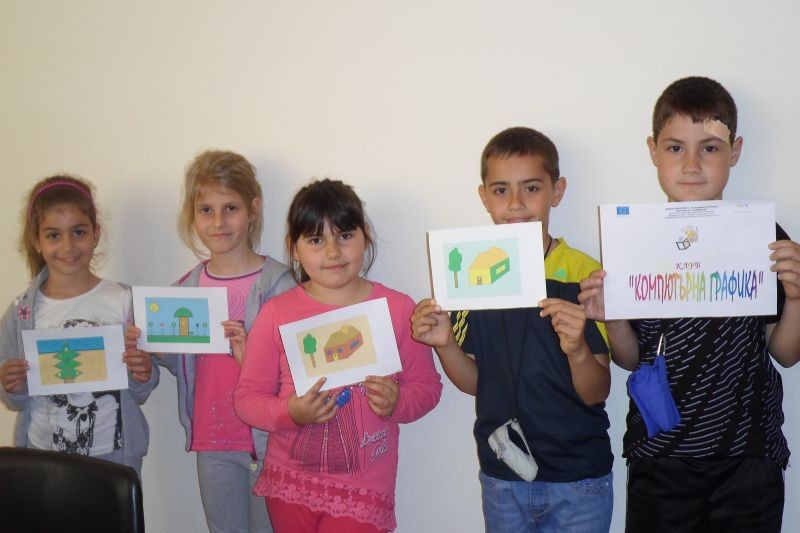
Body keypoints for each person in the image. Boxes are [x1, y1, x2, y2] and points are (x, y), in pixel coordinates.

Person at [579, 76, 800, 532]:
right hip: (660, 456)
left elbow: (785, 352)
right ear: (653, 150)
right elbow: (630, 358)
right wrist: (612, 316)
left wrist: (797, 297)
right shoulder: (633, 241)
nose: (692, 165)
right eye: (675, 147)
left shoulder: (760, 236)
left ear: (735, 151)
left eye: (710, 148)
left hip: (748, 457)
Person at [411, 127, 613, 533]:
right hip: (503, 477)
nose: (517, 203)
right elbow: (475, 383)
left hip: (579, 478)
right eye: (501, 190)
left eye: (531, 188)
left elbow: (598, 391)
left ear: (557, 191)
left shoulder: (583, 274)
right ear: (484, 196)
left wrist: (576, 349)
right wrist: (445, 345)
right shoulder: (471, 277)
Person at [234, 178, 442, 533]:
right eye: (316, 240)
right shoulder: (276, 313)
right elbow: (247, 399)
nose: (332, 252)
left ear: (366, 236)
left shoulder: (396, 308)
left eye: (344, 235)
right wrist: (290, 412)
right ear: (294, 248)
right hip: (290, 483)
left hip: (364, 489)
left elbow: (427, 387)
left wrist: (398, 402)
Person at [127, 150, 294, 533]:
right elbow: (185, 363)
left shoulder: (278, 285)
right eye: (206, 210)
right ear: (193, 214)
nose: (218, 222)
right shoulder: (185, 289)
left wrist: (253, 356)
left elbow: (296, 368)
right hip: (213, 439)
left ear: (253, 209)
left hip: (270, 441)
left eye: (230, 208)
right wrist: (155, 349)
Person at [0, 175, 157, 476]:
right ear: (36, 241)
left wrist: (142, 372)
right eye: (53, 235)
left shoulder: (125, 301)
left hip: (114, 458)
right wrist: (11, 383)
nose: (68, 245)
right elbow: (15, 398)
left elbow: (142, 389)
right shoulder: (22, 312)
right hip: (42, 457)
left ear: (96, 234)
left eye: (78, 232)